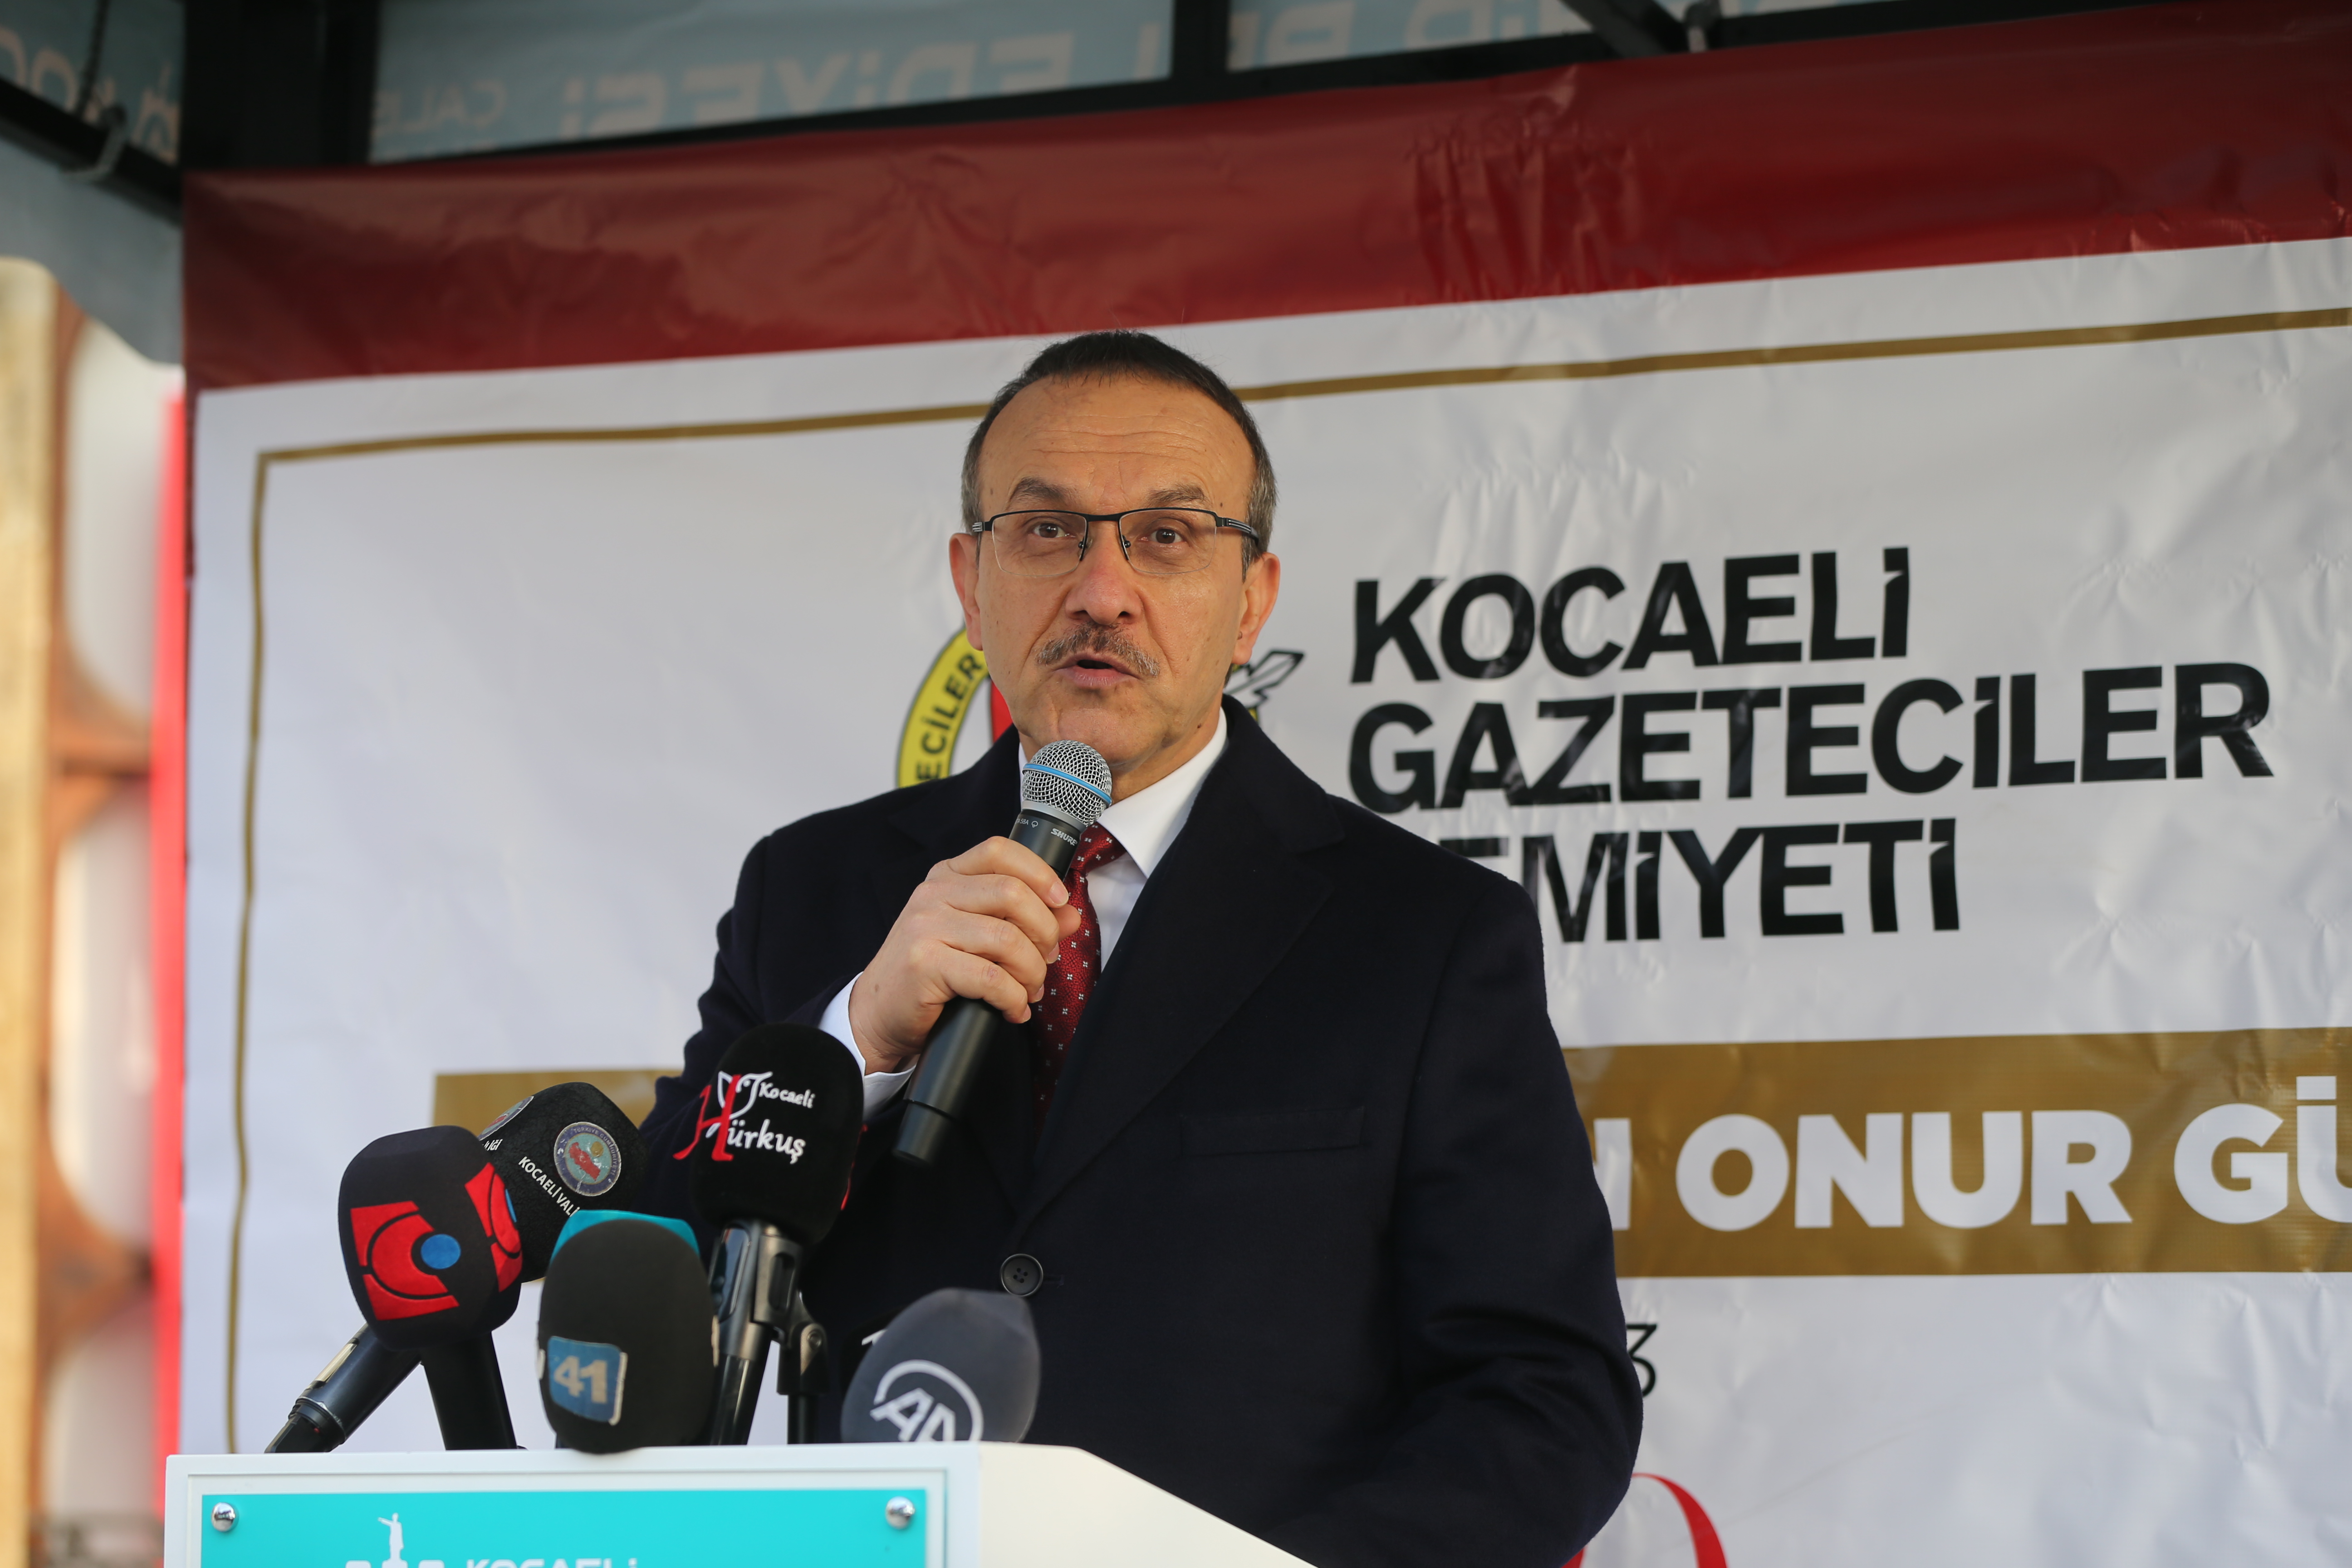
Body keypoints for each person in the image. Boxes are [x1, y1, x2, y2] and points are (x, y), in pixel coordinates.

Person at [639, 331, 1640, 1566]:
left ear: (1251, 600)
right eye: (1047, 531)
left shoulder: (1427, 935)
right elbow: (651, 1267)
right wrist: (856, 1045)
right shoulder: (814, 890)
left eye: (1167, 536)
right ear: (971, 582)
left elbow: (1545, 1399)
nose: (1102, 591)